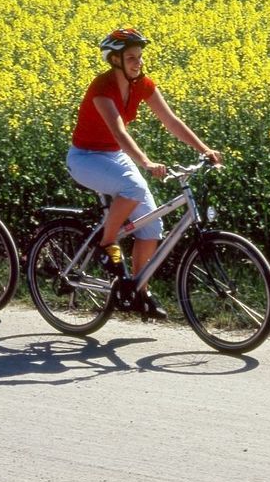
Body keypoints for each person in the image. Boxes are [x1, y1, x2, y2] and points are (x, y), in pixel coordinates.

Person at [66, 27, 222, 320]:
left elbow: (170, 120)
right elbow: (119, 131)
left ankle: (139, 291)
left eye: (139, 57)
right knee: (133, 189)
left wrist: (204, 150)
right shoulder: (102, 88)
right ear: (115, 60)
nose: (138, 62)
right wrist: (147, 162)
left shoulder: (142, 85)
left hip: (113, 156)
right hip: (85, 158)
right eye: (131, 57)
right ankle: (105, 245)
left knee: (151, 227)